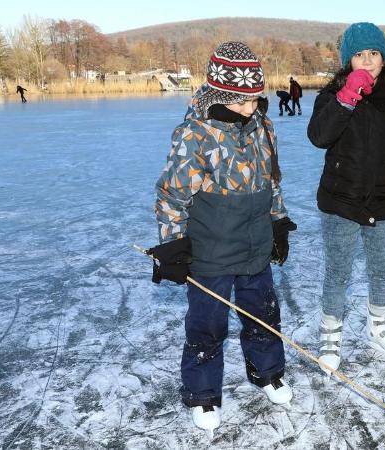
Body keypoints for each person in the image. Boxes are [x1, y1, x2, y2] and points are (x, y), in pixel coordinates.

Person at [149, 41, 298, 433]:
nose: (253, 105)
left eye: (256, 96)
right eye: (243, 98)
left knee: (263, 314)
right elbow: (171, 195)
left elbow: (273, 180)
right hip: (211, 251)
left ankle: (268, 373)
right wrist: (174, 247)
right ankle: (202, 395)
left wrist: (278, 223)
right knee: (207, 325)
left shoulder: (265, 126)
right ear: (222, 93)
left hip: (254, 246)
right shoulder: (196, 134)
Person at [307, 22, 385, 373]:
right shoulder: (330, 97)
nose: (367, 60)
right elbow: (318, 136)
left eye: (373, 53)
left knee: (382, 271)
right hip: (340, 201)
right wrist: (346, 97)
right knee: (338, 272)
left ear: (384, 58)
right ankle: (330, 331)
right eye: (358, 54)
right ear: (348, 61)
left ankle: (379, 327)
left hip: (383, 200)